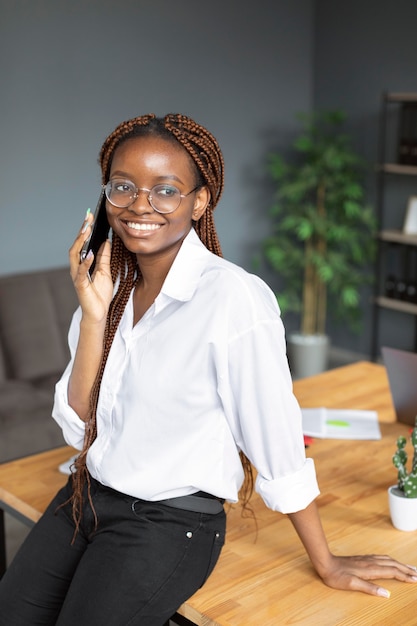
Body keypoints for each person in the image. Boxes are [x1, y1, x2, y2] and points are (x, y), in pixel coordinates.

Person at [0, 112, 416, 626]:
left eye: (166, 190)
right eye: (123, 186)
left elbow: (276, 442)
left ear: (199, 201)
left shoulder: (232, 298)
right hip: (86, 494)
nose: (139, 205)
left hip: (166, 523)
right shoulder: (107, 286)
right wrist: (91, 315)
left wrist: (326, 560)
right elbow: (79, 419)